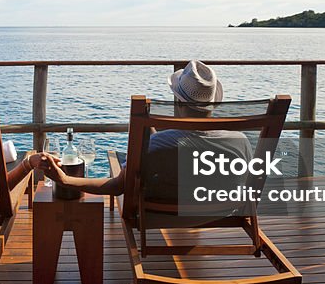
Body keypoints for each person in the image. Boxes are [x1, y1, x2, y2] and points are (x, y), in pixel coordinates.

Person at [43, 60, 252, 197]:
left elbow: (117, 187)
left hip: (160, 212)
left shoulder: (158, 145)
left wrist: (65, 179)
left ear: (178, 103)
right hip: (219, 211)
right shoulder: (240, 141)